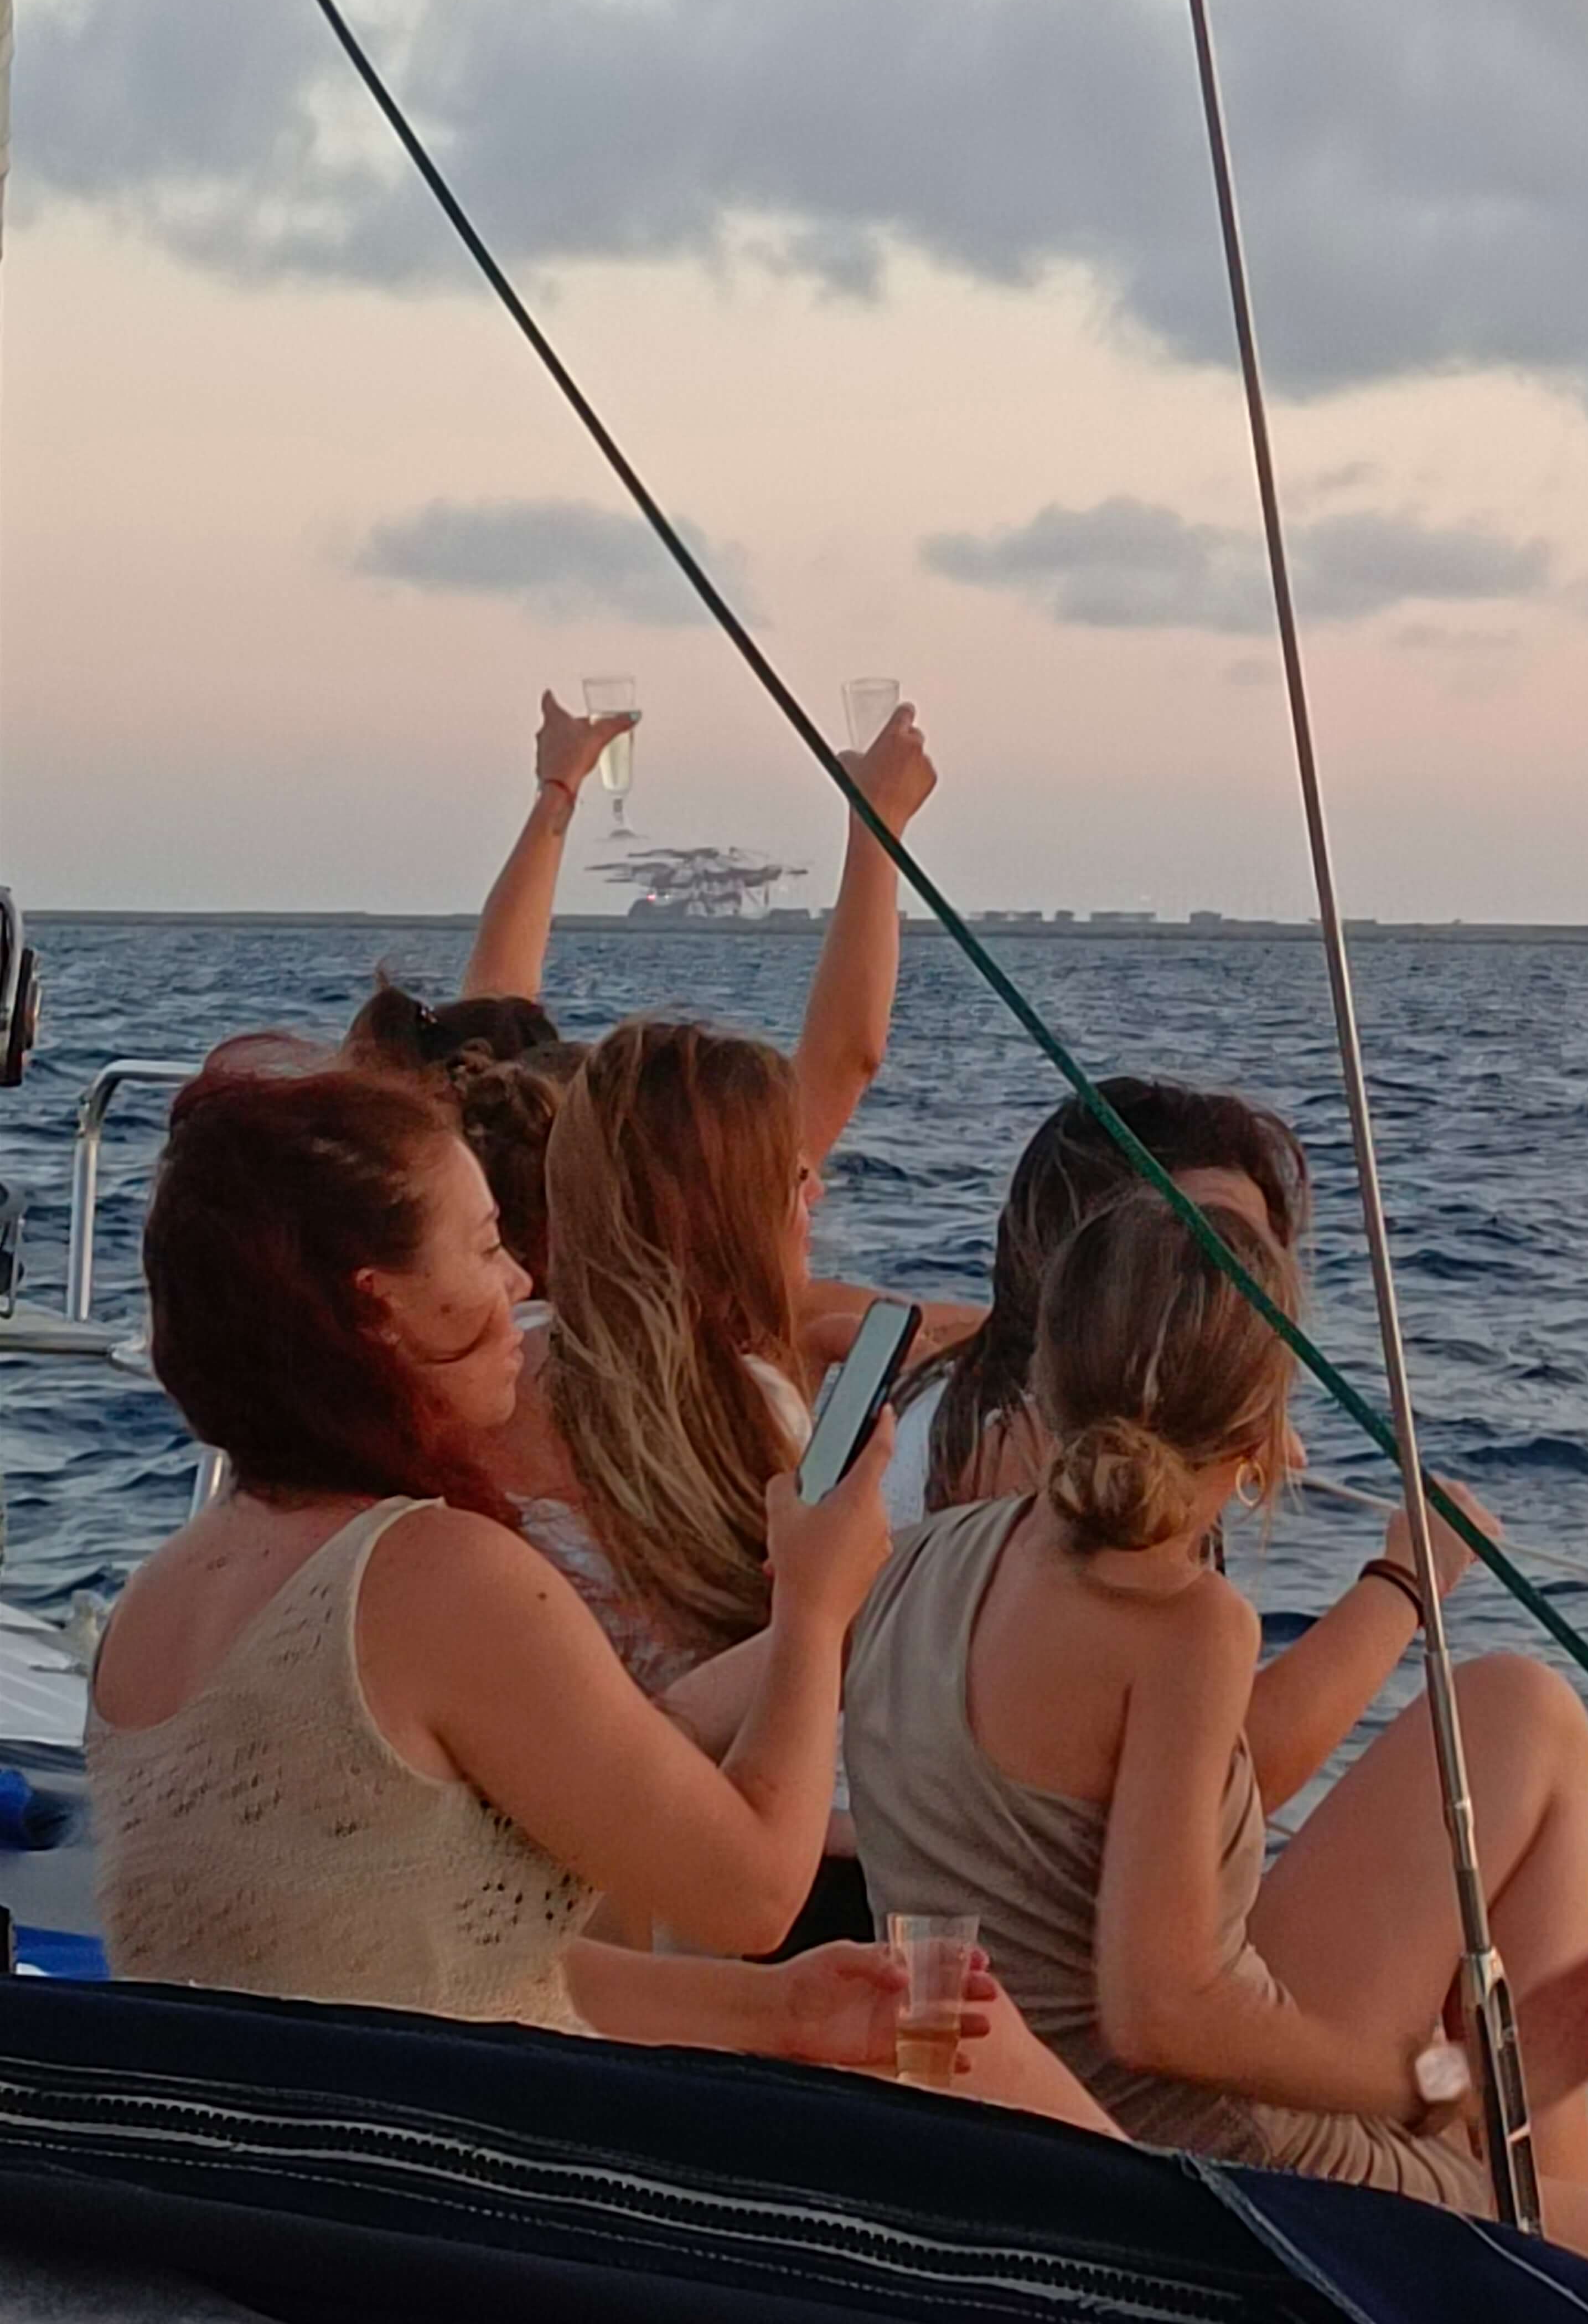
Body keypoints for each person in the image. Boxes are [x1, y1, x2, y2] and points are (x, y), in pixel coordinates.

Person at [844, 1191, 1588, 2323]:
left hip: (1026, 2140)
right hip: (1208, 2182)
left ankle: (1542, 2219)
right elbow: (1160, 2012)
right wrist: (1439, 2082)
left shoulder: (929, 1557)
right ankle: (1529, 2224)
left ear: (1042, 1375)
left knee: (1517, 1712)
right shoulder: (1188, 1627)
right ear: (1258, 1442)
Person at [84, 1045, 1106, 2125]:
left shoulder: (161, 1595)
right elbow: (755, 1889)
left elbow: (442, 1962)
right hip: (451, 2181)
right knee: (977, 2054)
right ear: (380, 1307)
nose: (523, 1282)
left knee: (939, 2038)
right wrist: (813, 1605)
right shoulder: (432, 1576)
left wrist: (778, 2014)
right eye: (485, 1249)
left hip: (282, 2163)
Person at [347, 690, 939, 1249]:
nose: (809, 1189)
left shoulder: (474, 1208)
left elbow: (498, 1007)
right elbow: (846, 1055)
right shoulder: (677, 1259)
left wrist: (559, 786)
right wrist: (877, 825)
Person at [891, 1077, 1308, 1522]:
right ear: (1090, 1262)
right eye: (1208, 1257)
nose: (1251, 1298)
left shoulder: (981, 1400)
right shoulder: (1021, 1466)